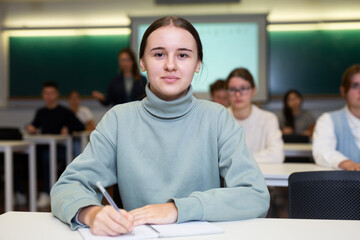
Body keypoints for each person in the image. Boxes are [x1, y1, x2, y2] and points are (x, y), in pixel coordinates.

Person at [51, 16, 270, 236]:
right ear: (142, 63)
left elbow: (255, 195)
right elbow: (67, 187)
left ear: (197, 64)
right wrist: (91, 213)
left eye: (183, 55)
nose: (171, 65)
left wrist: (177, 209)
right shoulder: (118, 120)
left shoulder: (217, 118)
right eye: (158, 54)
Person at [27, 81, 85, 208]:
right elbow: (34, 125)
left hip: (60, 148)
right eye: (46, 93)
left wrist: (68, 128)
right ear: (42, 95)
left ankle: (46, 192)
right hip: (43, 146)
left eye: (51, 93)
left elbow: (80, 125)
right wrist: (31, 128)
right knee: (25, 155)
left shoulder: (64, 111)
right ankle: (20, 191)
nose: (49, 96)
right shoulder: (40, 112)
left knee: (47, 157)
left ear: (57, 94)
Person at [226, 68, 284, 163]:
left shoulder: (268, 119)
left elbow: (277, 155)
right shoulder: (220, 118)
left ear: (253, 90)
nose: (237, 94)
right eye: (232, 89)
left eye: (243, 88)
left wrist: (240, 158)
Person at [313, 64, 360, 170]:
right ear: (343, 91)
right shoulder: (328, 120)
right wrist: (349, 164)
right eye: (355, 86)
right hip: (342, 185)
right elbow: (322, 151)